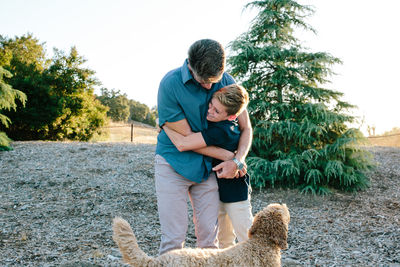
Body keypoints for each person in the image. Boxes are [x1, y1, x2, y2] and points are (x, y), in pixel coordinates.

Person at [155, 39, 252, 255]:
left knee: (209, 239)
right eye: (203, 82)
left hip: (207, 168)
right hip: (173, 163)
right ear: (190, 64)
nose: (210, 87)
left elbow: (246, 128)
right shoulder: (169, 85)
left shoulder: (226, 81)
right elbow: (185, 141)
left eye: (213, 81)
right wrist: (228, 155)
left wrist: (238, 159)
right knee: (174, 238)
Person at [163, 84, 253, 249]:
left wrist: (164, 125)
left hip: (234, 189)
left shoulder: (222, 130)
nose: (210, 111)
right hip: (215, 186)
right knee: (224, 240)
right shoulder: (217, 121)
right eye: (211, 105)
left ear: (232, 116)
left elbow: (183, 143)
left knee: (246, 237)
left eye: (217, 111)